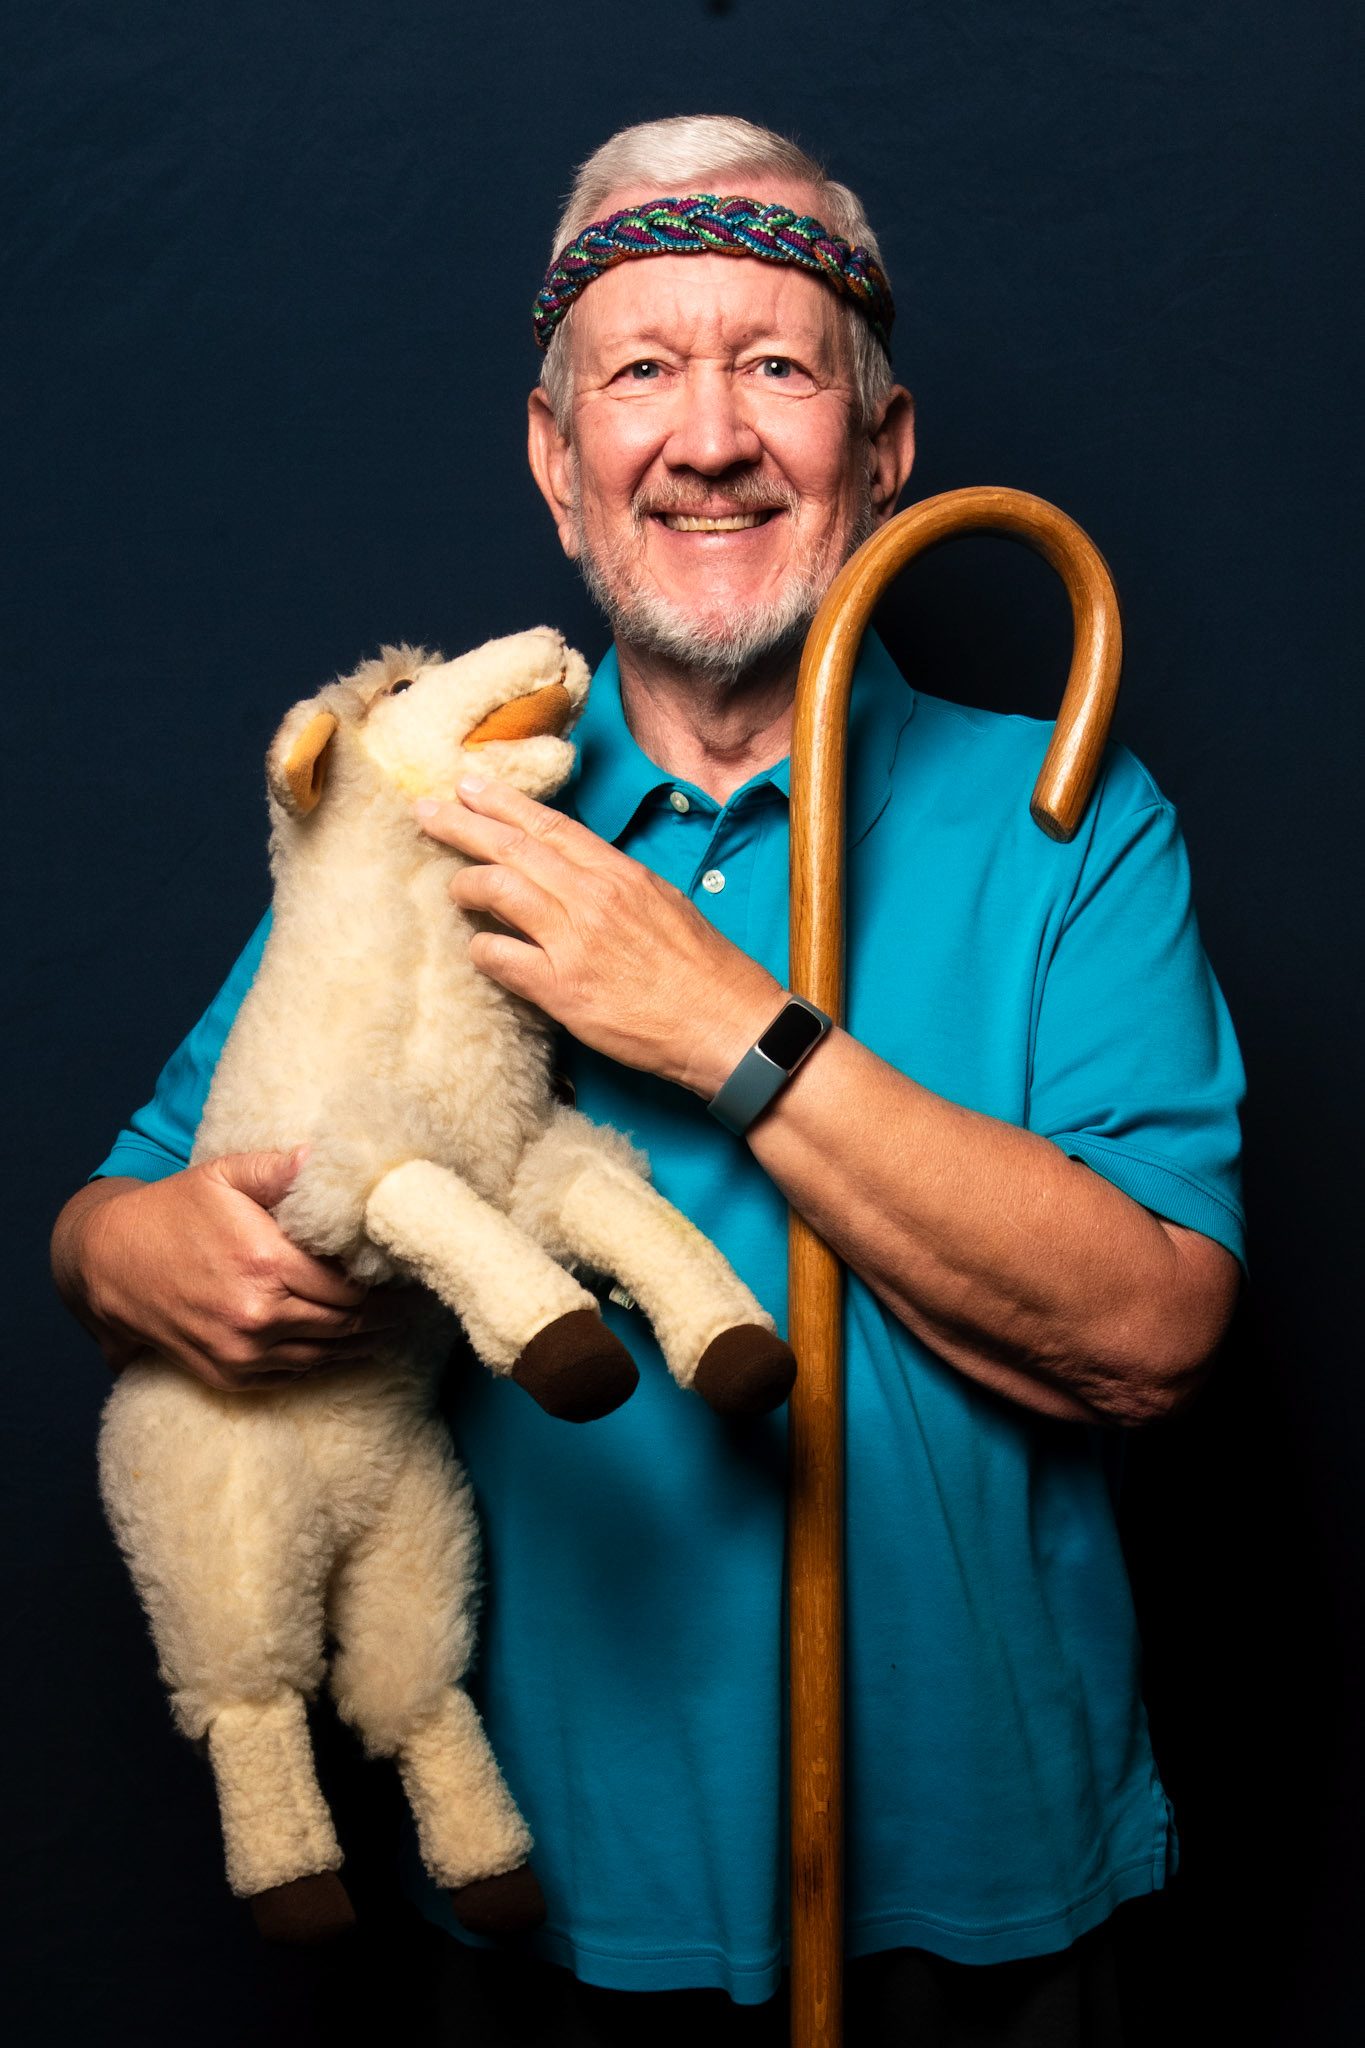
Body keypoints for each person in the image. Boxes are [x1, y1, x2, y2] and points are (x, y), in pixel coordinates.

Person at [52, 116, 1244, 2044]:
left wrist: (723, 1029)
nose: (708, 438)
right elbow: (121, 1211)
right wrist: (139, 1259)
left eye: (775, 366)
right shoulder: (419, 813)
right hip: (545, 1899)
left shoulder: (1066, 821)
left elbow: (1149, 1335)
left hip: (981, 1887)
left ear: (882, 447)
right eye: (637, 375)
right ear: (557, 461)